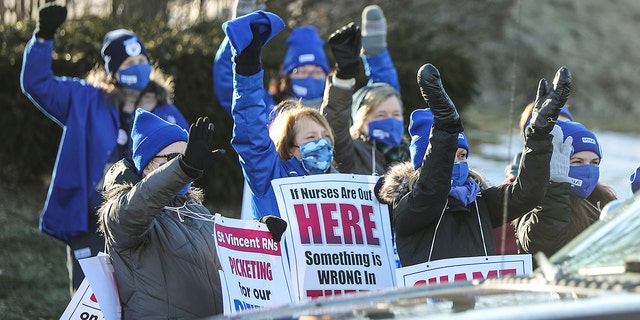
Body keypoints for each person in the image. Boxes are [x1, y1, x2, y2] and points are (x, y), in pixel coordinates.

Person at [20, 3, 189, 293]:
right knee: (93, 298)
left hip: (147, 222)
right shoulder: (85, 100)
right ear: (113, 71)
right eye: (128, 63)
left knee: (140, 297)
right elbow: (37, 84)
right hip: (91, 221)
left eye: (141, 59)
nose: (137, 66)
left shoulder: (165, 110)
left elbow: (181, 161)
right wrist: (43, 37)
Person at [378, 63, 570, 266]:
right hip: (427, 298)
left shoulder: (479, 202)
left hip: (477, 297)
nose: (458, 162)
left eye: (462, 155)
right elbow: (432, 190)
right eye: (449, 155)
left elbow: (527, 194)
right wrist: (446, 126)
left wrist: (539, 134)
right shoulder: (408, 206)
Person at [98, 109, 225, 318]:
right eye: (175, 158)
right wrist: (183, 169)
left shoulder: (198, 212)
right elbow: (132, 211)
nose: (185, 163)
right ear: (147, 166)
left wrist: (262, 232)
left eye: (189, 157)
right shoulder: (122, 210)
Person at [225, 13, 339, 220]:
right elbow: (251, 134)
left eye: (326, 137)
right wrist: (247, 68)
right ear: (288, 147)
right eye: (311, 138)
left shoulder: (342, 185)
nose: (321, 143)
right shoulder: (270, 178)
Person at [515, 120, 618, 257]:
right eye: (577, 161)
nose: (587, 170)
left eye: (594, 163)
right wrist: (555, 186)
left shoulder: (606, 201)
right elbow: (544, 246)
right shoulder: (532, 203)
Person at [321, 14, 408, 177]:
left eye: (396, 115)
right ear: (361, 119)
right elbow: (336, 123)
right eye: (380, 115)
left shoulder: (413, 156)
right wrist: (344, 76)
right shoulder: (352, 153)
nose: (389, 120)